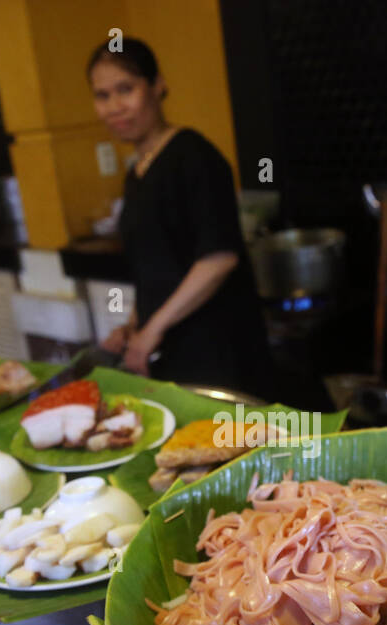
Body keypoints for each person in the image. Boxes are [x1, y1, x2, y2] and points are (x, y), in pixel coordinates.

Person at [87, 36, 272, 396]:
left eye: (126, 89)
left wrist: (152, 330)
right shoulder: (137, 173)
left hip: (217, 346)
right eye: (102, 95)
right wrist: (133, 327)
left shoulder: (194, 157)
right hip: (173, 350)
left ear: (158, 87)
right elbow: (155, 267)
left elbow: (218, 259)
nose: (114, 107)